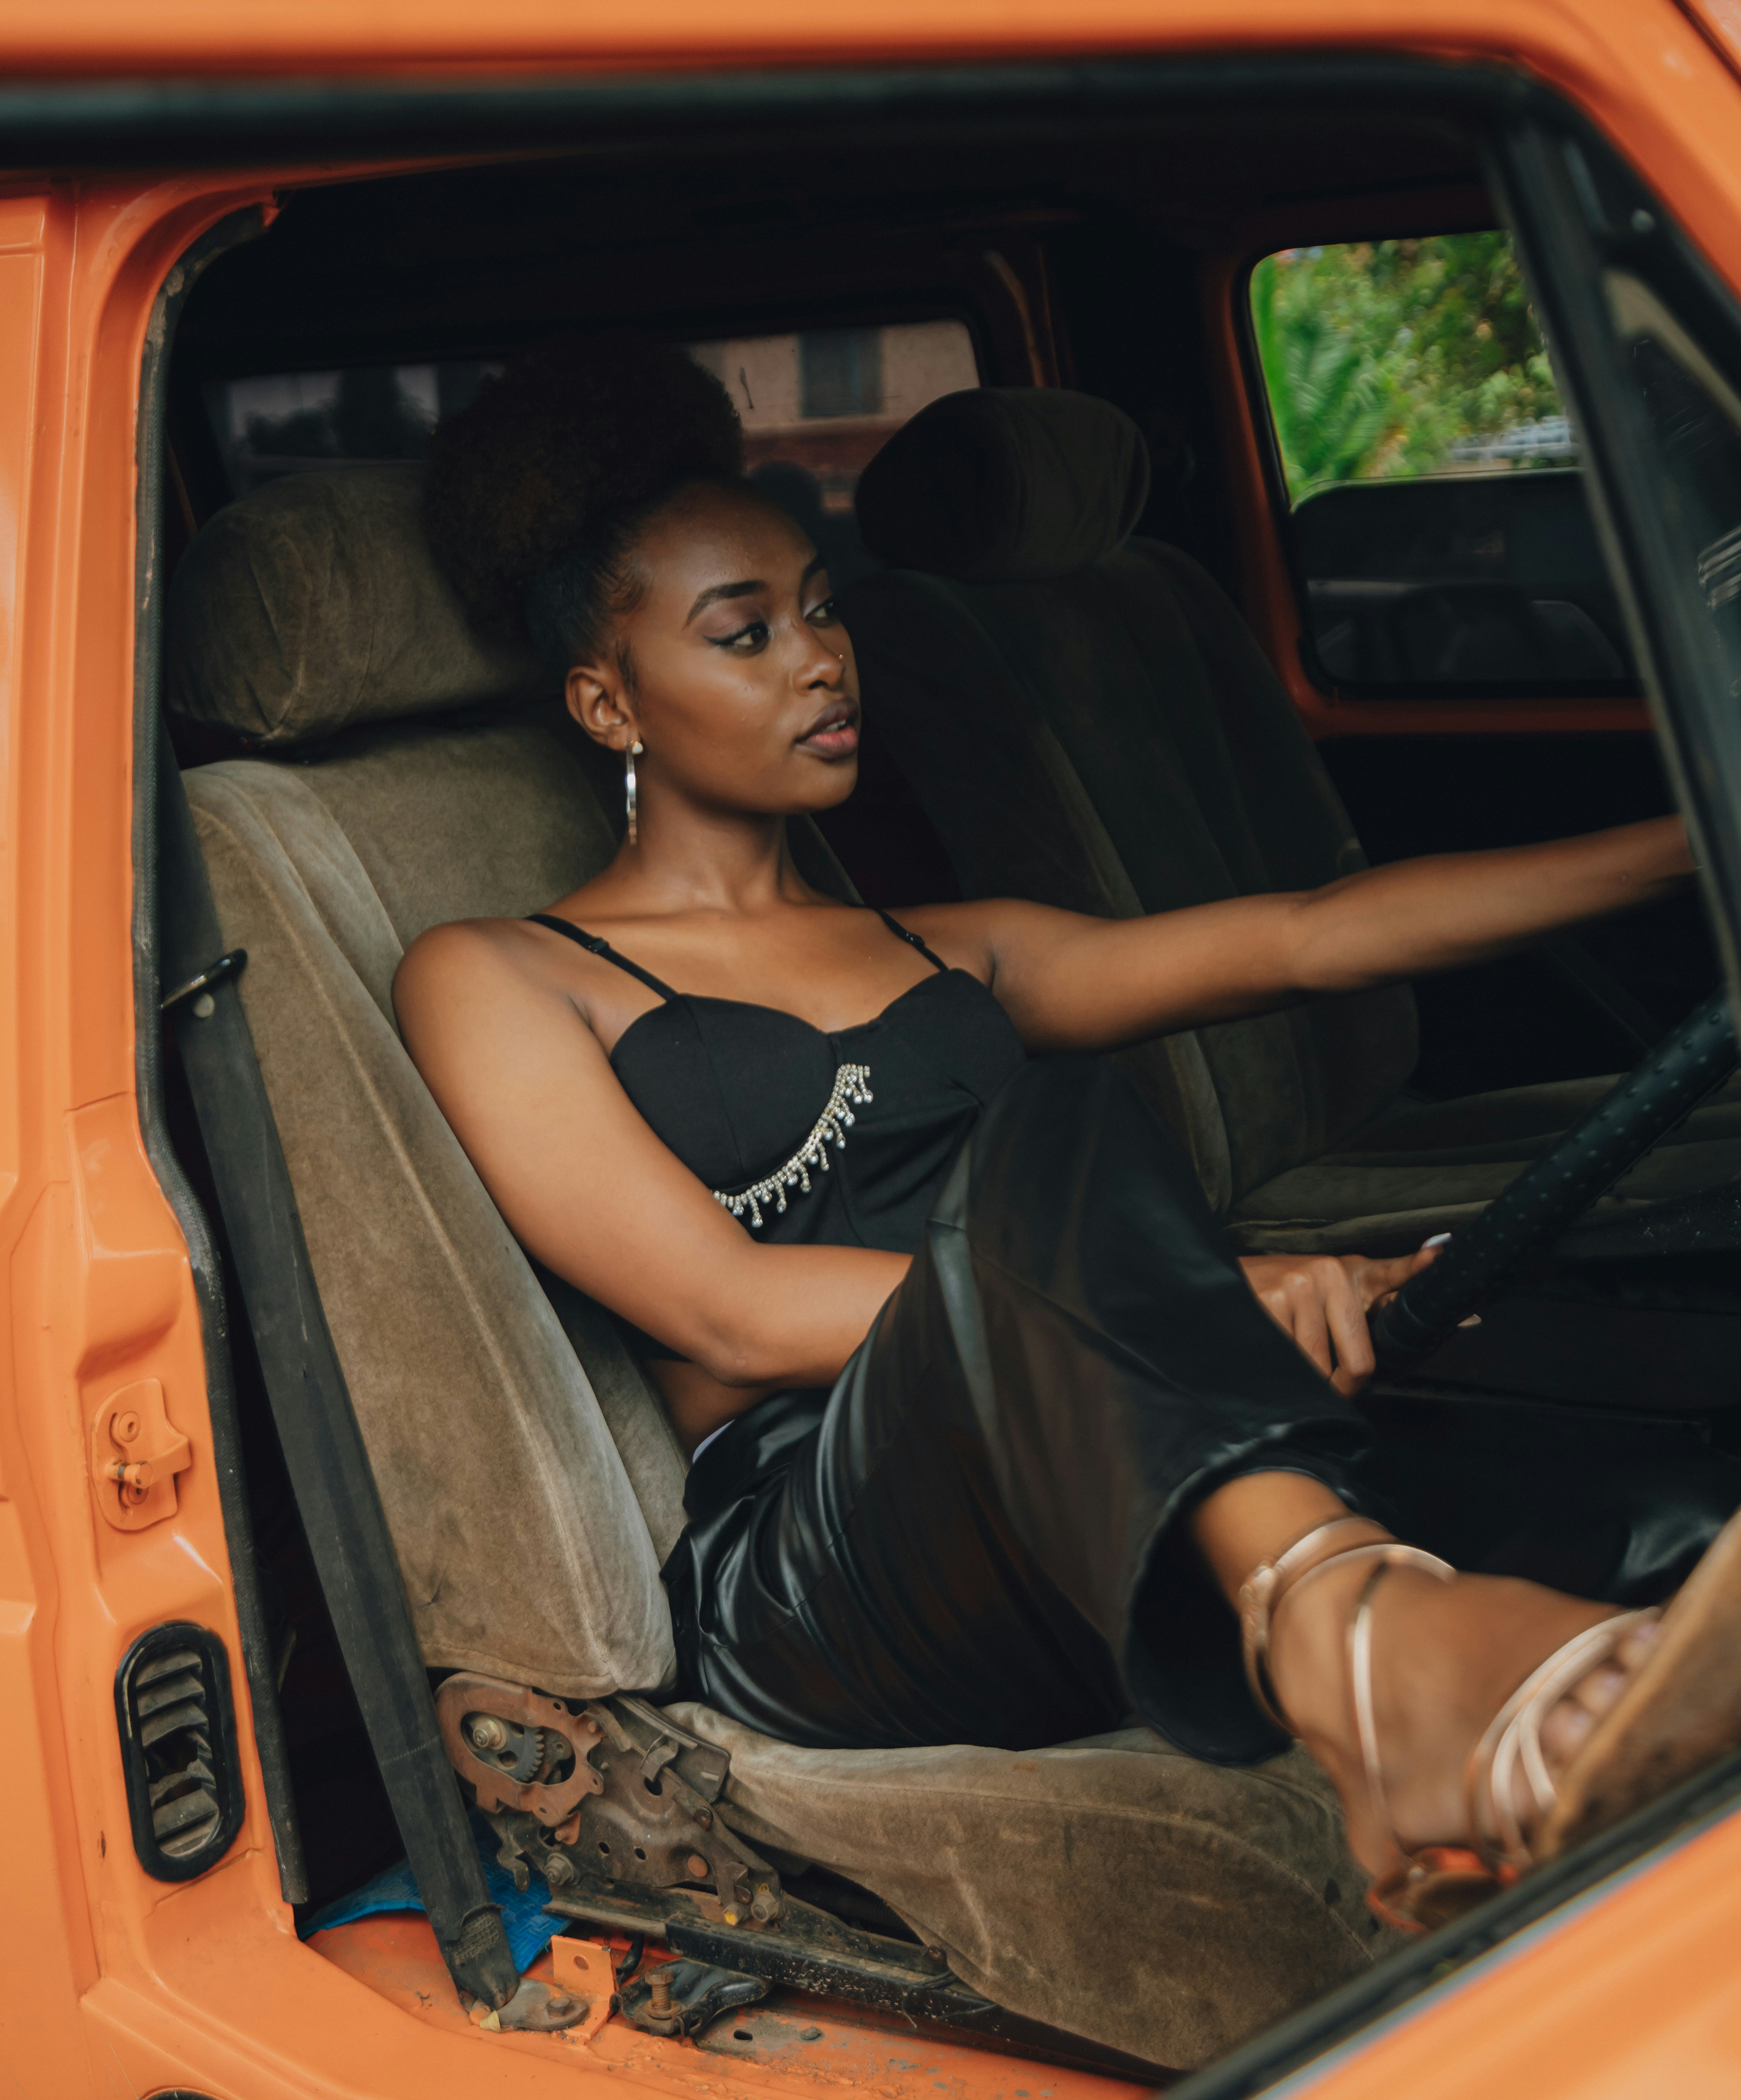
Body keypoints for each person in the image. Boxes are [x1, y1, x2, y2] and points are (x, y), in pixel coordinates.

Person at [395, 336, 1741, 1933]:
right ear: (609, 699)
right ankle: (1356, 1650)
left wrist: (1697, 840)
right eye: (744, 635)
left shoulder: (945, 941)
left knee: (1665, 1512)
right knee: (1057, 1148)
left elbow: (1317, 935)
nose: (822, 661)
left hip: (1099, 1466)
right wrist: (1204, 1297)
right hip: (822, 1549)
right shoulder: (496, 972)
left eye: (823, 608)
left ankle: (1457, 1700)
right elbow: (725, 1312)